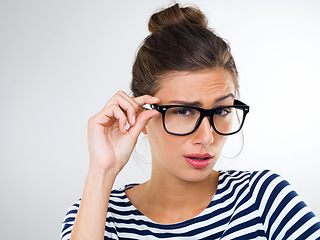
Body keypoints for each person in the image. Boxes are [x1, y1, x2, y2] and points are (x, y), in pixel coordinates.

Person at [61, 3, 320, 239]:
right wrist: (101, 172)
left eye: (221, 111)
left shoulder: (263, 198)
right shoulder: (95, 215)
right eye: (184, 111)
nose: (207, 137)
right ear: (141, 113)